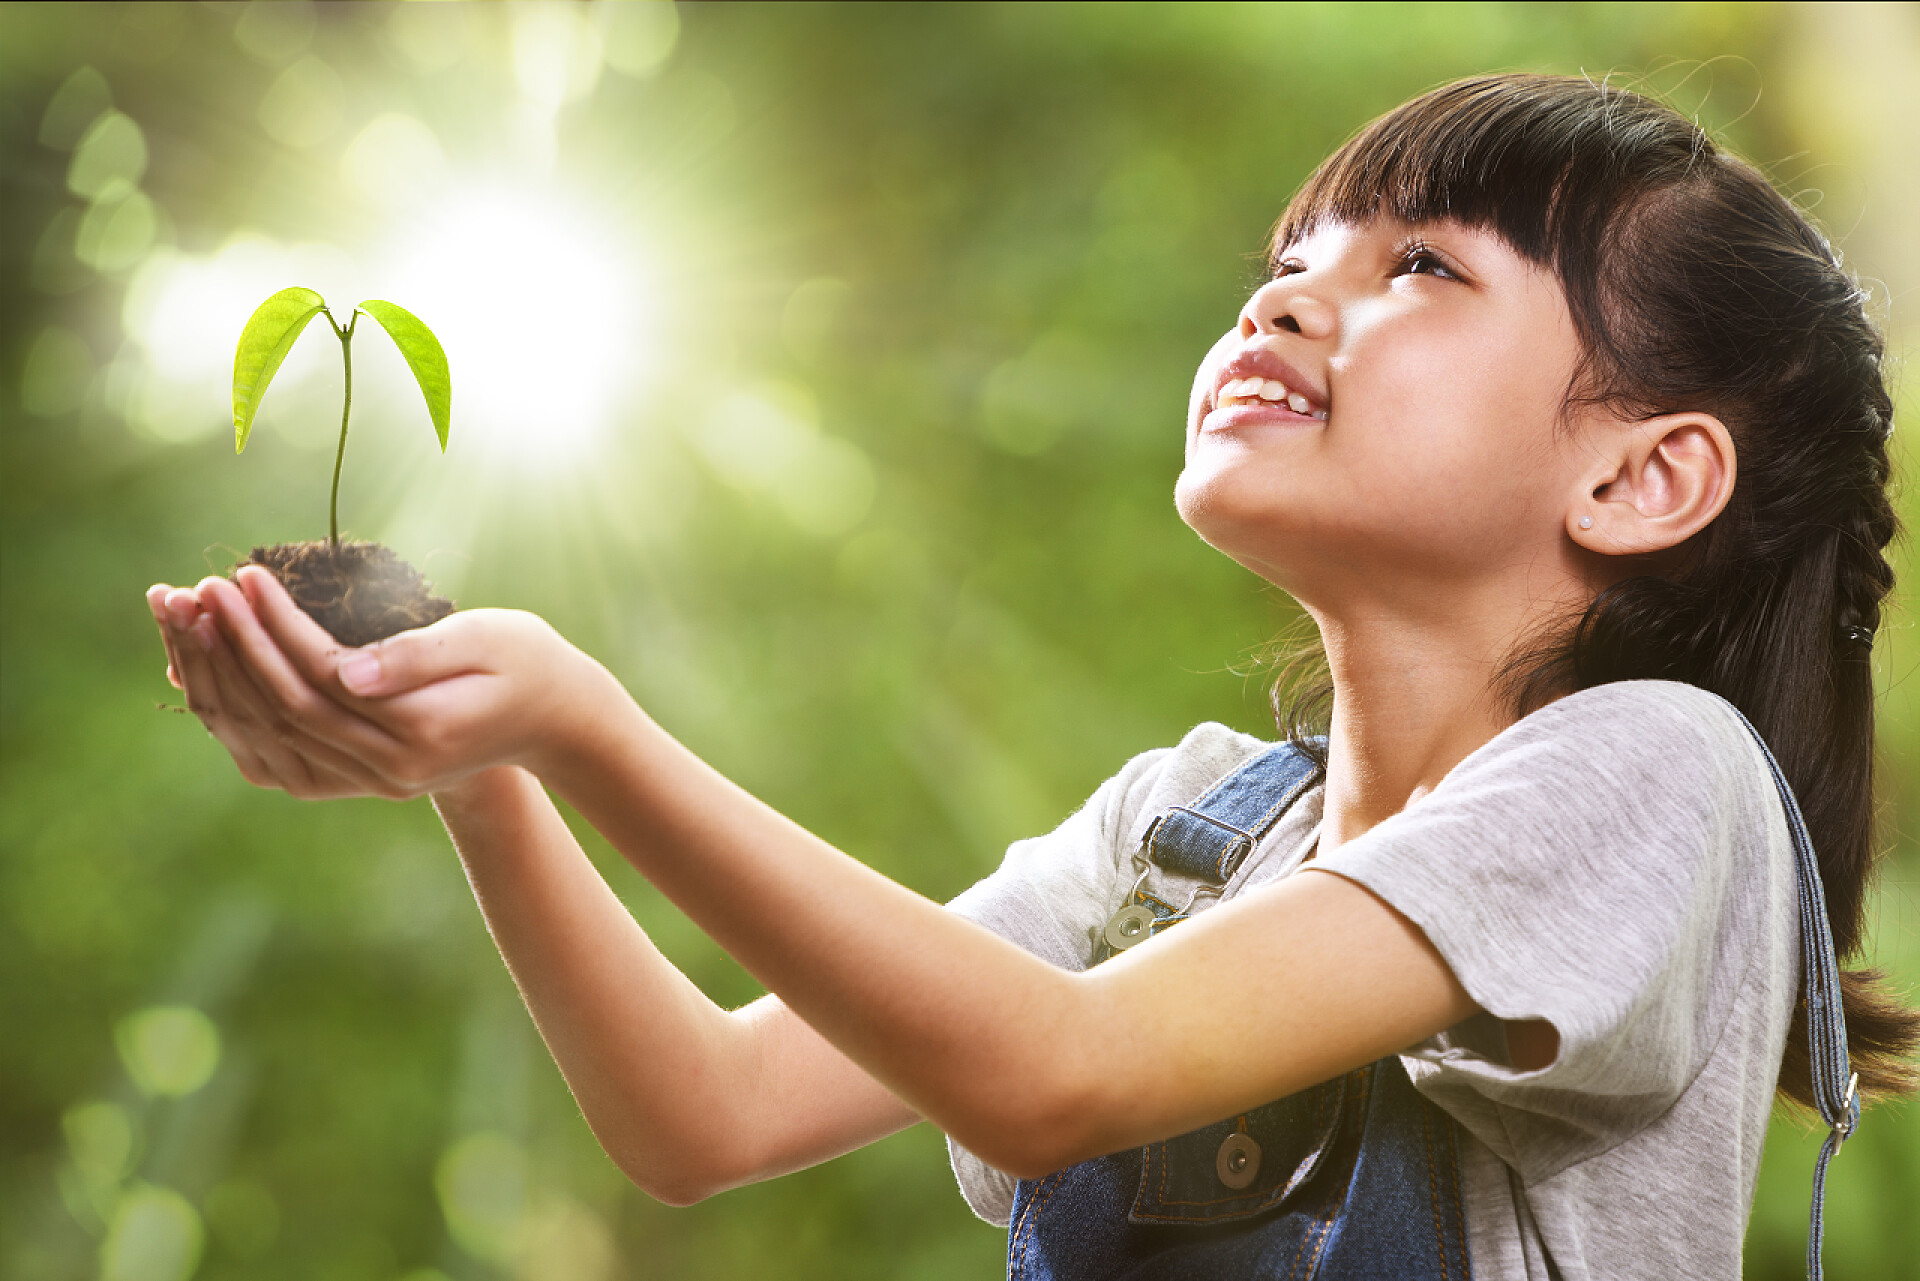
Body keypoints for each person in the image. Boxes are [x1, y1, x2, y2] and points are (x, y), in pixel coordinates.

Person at [148, 74, 1914, 1279]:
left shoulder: (1658, 778)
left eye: (1422, 268)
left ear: (1642, 476)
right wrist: (487, 768)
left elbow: (1057, 1071)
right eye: (1286, 264)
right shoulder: (1187, 831)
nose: (1286, 304)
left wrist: (583, 716)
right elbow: (702, 1109)